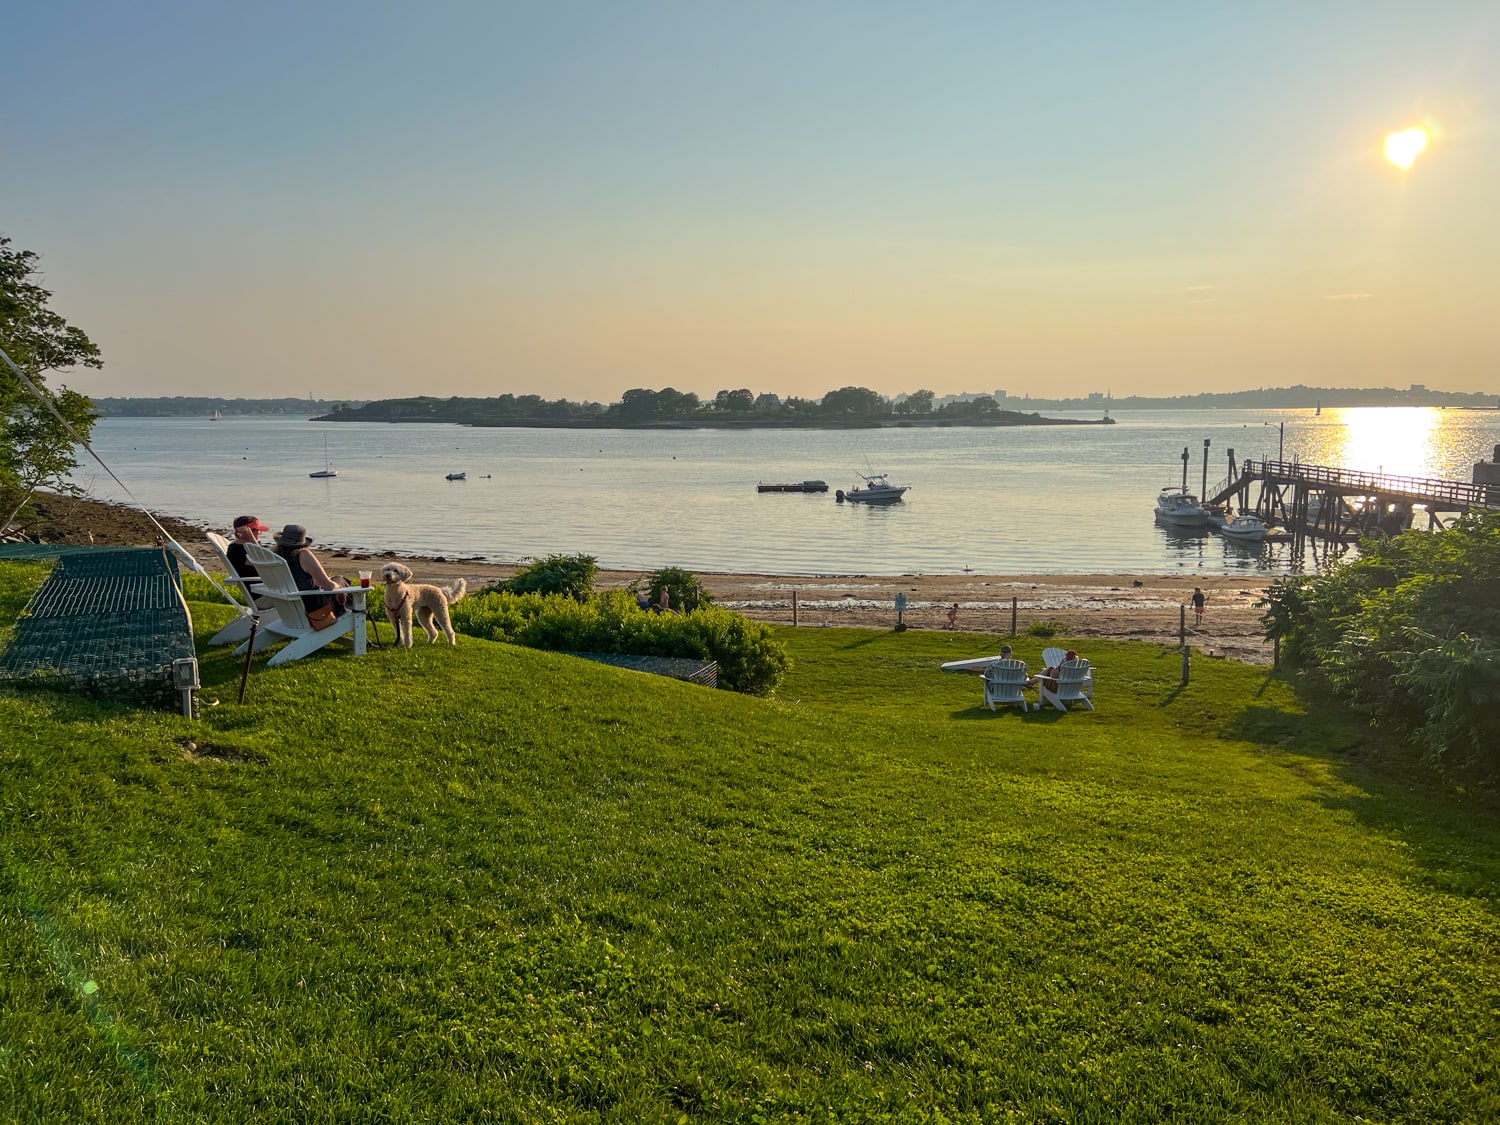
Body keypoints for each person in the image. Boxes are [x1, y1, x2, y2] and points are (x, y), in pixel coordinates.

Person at [271, 524, 347, 616]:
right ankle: (350, 612)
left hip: (288, 608)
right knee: (340, 580)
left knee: (337, 581)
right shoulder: (304, 555)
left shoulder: (274, 555)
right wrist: (339, 587)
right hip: (314, 610)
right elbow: (329, 586)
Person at [225, 515, 270, 581]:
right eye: (258, 531)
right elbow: (263, 562)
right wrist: (252, 539)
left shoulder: (243, 546)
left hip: (259, 581)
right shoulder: (238, 550)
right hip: (256, 584)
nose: (260, 533)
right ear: (249, 532)